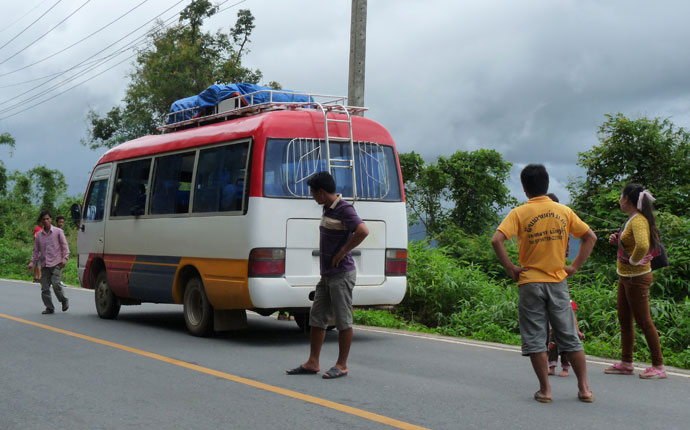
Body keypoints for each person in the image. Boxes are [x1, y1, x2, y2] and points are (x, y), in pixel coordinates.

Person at [491, 164, 597, 403]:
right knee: (569, 335)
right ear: (547, 185)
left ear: (525, 189)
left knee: (536, 338)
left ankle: (546, 390)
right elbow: (591, 237)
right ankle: (584, 389)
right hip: (558, 281)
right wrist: (573, 267)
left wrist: (511, 269)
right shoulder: (564, 211)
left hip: (529, 282)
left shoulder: (519, 213)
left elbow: (496, 240)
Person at [286, 171, 369, 379]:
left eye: (313, 193)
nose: (313, 197)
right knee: (317, 316)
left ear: (322, 192)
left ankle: (342, 365)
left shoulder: (344, 209)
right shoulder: (327, 208)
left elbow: (363, 231)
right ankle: (312, 362)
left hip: (342, 274)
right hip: (327, 275)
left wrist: (343, 252)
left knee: (342, 319)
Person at [604, 184, 666, 379]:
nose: (619, 199)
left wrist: (633, 261)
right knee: (624, 320)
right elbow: (633, 242)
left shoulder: (638, 220)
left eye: (621, 196)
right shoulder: (632, 219)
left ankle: (658, 366)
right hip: (626, 277)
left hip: (636, 278)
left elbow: (643, 245)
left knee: (644, 321)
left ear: (627, 199)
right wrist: (619, 240)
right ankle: (626, 363)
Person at [27, 210, 70, 314]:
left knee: (56, 284)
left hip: (56, 263)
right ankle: (49, 307)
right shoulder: (38, 235)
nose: (46, 221)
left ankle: (64, 300)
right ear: (41, 222)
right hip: (45, 264)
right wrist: (32, 263)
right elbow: (36, 250)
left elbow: (65, 246)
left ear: (51, 220)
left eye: (47, 219)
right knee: (44, 288)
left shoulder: (58, 232)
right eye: (44, 219)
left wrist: (65, 258)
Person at [548, 300, 585, 377]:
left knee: (565, 350)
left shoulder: (569, 302)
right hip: (554, 329)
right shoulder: (551, 300)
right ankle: (552, 368)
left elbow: (573, 318)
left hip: (566, 330)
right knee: (552, 347)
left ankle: (565, 369)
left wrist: (577, 331)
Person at [32, 214, 43, 283]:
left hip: (36, 248)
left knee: (36, 263)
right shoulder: (39, 229)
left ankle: (36, 278)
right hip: (39, 248)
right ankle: (39, 277)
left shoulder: (39, 228)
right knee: (39, 263)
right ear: (39, 222)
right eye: (42, 222)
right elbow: (36, 236)